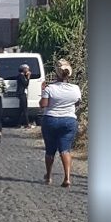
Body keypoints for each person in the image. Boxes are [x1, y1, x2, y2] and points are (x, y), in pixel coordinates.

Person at [40, 59, 82, 188]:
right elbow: (78, 103)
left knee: (50, 150)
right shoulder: (76, 88)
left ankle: (48, 176)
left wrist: (43, 92)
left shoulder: (50, 88)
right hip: (69, 121)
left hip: (51, 120)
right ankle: (67, 177)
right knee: (65, 150)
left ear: (57, 73)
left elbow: (43, 105)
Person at [16, 64, 33, 129]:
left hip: (22, 93)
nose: (28, 70)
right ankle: (27, 124)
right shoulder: (21, 76)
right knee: (25, 109)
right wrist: (28, 77)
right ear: (24, 69)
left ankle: (19, 123)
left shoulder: (22, 76)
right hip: (21, 93)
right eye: (27, 69)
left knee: (21, 109)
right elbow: (26, 84)